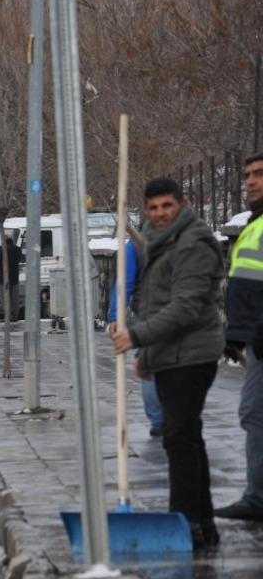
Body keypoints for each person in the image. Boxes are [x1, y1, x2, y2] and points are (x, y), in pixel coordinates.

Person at [110, 177, 224, 550]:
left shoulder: (193, 242)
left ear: (181, 204)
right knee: (186, 436)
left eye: (167, 206)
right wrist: (148, 355)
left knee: (178, 436)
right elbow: (155, 303)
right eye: (153, 208)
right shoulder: (160, 243)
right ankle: (201, 524)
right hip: (172, 354)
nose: (160, 214)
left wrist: (138, 338)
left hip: (193, 354)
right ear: (145, 211)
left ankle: (186, 521)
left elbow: (186, 306)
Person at [216, 151, 263, 522]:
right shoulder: (253, 225)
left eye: (259, 174)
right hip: (253, 338)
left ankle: (258, 498)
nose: (250, 181)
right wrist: (236, 333)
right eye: (247, 174)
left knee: (254, 413)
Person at [108, 237, 163, 437]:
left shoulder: (135, 246)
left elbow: (125, 283)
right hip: (177, 312)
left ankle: (159, 421)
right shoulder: (184, 237)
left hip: (148, 314)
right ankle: (170, 419)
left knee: (149, 364)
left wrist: (115, 315)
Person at [0, 236, 23, 321]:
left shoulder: (0, 249)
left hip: (2, 279)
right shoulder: (17, 249)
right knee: (14, 299)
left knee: (5, 299)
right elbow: (20, 259)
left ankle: (8, 316)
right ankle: (15, 316)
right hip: (14, 278)